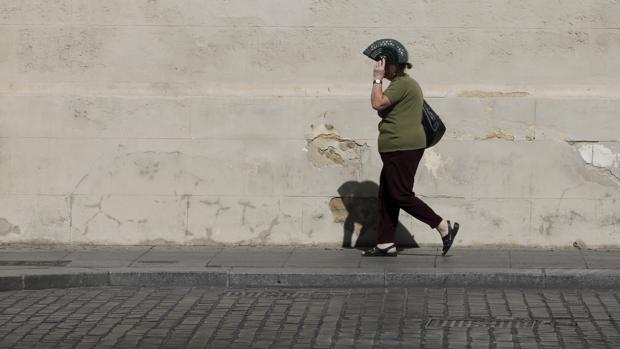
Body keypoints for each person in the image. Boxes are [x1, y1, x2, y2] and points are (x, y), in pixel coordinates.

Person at [362, 40, 460, 257]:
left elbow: (377, 103)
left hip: (402, 146)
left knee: (400, 194)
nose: (381, 67)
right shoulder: (402, 84)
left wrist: (376, 78)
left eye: (384, 63)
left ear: (395, 65)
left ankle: (442, 226)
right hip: (398, 146)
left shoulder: (402, 83)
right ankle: (385, 243)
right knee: (387, 194)